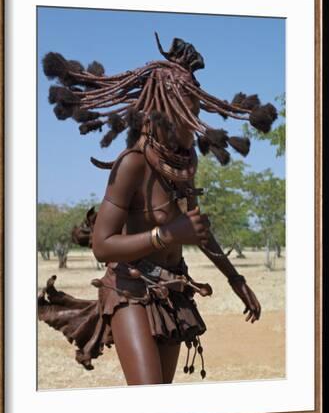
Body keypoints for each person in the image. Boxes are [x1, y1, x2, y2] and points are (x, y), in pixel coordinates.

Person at [38, 33, 277, 385]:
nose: (194, 121)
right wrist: (165, 235)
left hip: (173, 291)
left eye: (196, 109)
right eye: (186, 110)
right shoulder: (133, 164)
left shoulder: (184, 163)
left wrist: (235, 278)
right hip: (129, 292)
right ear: (161, 111)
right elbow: (102, 245)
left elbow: (197, 228)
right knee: (147, 397)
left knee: (163, 401)